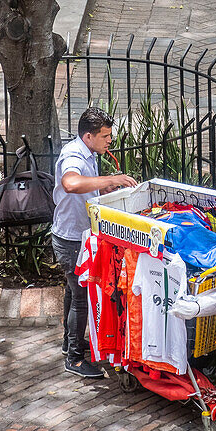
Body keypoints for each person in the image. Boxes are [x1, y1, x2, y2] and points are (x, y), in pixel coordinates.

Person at [52, 107, 137, 378]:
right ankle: (75, 360)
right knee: (80, 299)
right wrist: (111, 178)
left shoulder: (89, 152)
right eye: (105, 136)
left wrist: (104, 188)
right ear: (88, 136)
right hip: (71, 238)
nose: (109, 140)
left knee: (71, 292)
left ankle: (70, 344)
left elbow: (85, 187)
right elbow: (70, 183)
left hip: (74, 234)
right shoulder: (74, 154)